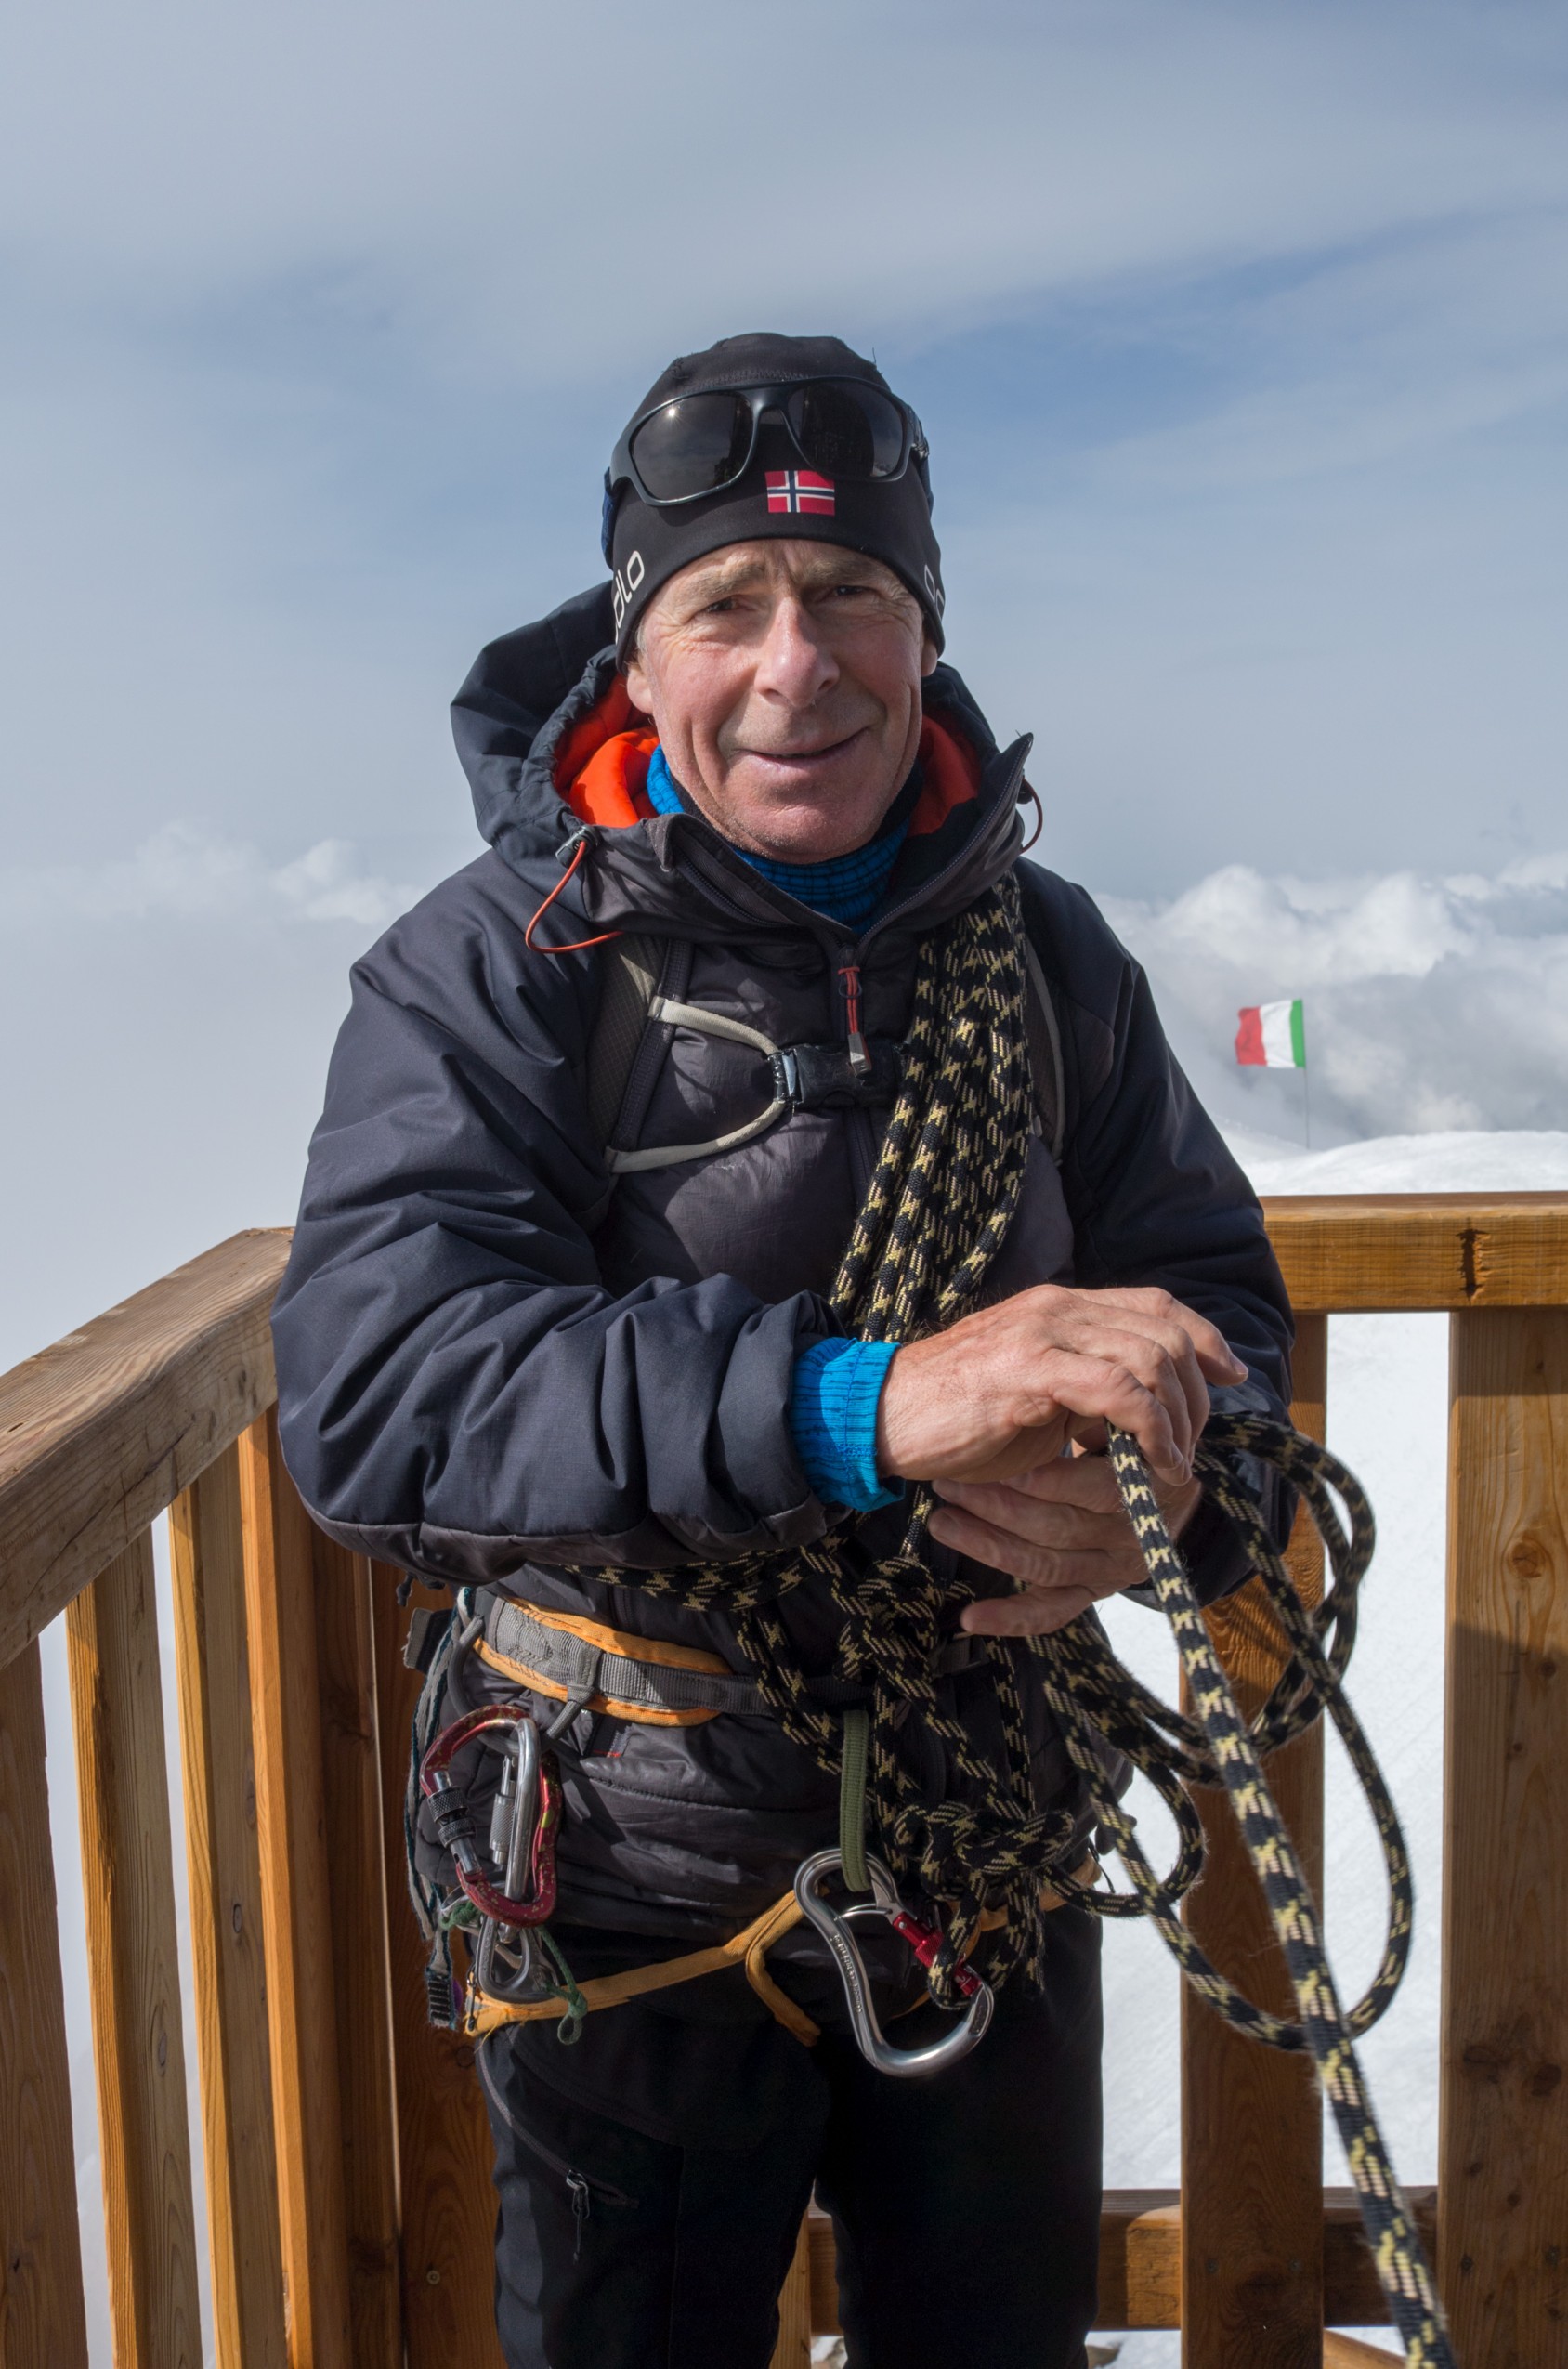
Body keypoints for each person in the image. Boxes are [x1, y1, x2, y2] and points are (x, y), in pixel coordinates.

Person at [273, 331, 1294, 2369]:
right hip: (630, 1868)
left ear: (927, 631)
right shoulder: (495, 969)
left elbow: (1217, 1317)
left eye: (849, 595)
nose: (793, 664)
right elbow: (388, 1393)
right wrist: (868, 1403)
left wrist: (1186, 1495)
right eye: (725, 603)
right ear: (635, 653)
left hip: (979, 1835)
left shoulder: (1051, 959)